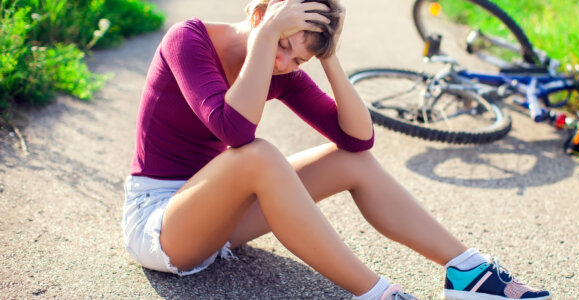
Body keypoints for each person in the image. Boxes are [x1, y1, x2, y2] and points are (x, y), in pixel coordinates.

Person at [121, 0, 552, 299]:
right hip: (160, 223)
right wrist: (268, 35)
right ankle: (378, 293)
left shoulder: (282, 68)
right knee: (258, 154)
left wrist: (328, 58)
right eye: (282, 44)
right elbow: (234, 130)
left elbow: (357, 140)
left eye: (298, 59)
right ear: (258, 15)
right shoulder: (189, 40)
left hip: (219, 219)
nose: (283, 63)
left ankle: (469, 272)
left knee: (351, 161)